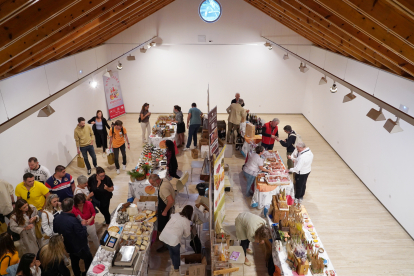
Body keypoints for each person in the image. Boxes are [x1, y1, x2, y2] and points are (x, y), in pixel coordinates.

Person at [53, 198, 92, 276]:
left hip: (68, 245)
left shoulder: (57, 218)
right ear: (72, 207)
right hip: (80, 246)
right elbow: (82, 234)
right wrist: (83, 225)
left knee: (74, 262)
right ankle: (88, 273)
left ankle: (77, 274)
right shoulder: (73, 220)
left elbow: (55, 230)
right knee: (88, 259)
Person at [160, 205, 193, 273]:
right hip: (173, 239)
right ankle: (176, 269)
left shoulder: (176, 214)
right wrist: (189, 229)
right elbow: (186, 235)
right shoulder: (186, 221)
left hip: (165, 236)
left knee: (171, 250)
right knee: (176, 254)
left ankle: (173, 264)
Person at [148, 174, 175, 252]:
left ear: (157, 180)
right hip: (163, 207)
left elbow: (171, 201)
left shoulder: (163, 188)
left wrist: (165, 211)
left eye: (152, 184)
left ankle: (166, 245)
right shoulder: (164, 179)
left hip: (165, 209)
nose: (152, 186)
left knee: (164, 228)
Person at [288, 142, 313, 208]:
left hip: (301, 172)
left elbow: (297, 168)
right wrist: (293, 158)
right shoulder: (309, 152)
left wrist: (289, 170)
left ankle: (297, 197)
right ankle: (301, 195)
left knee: (299, 185)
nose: (297, 149)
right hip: (307, 170)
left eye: (297, 148)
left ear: (301, 148)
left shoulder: (302, 157)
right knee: (303, 183)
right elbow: (299, 160)